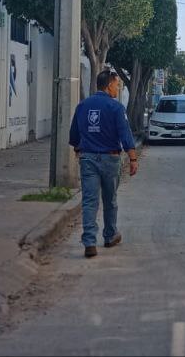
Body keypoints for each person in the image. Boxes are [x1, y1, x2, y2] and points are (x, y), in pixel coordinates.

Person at [68, 69, 139, 258]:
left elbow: (74, 135)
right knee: (110, 200)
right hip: (110, 158)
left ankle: (89, 242)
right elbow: (126, 136)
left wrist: (78, 150)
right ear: (109, 85)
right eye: (117, 85)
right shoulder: (116, 108)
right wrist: (133, 159)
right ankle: (109, 236)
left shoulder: (83, 106)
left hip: (88, 158)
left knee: (90, 201)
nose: (118, 88)